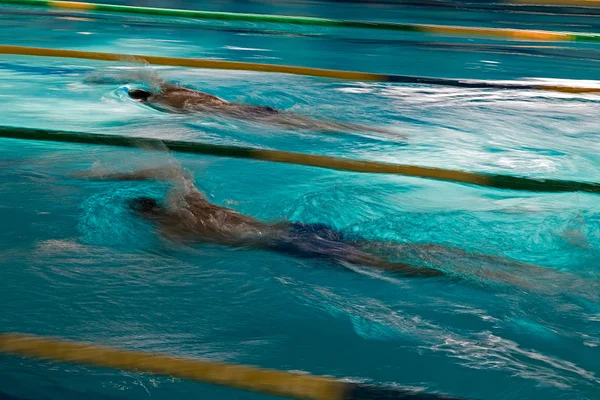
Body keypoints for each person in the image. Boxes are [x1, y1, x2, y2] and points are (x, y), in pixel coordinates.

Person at [81, 165, 442, 278]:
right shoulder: (191, 202)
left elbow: (164, 263)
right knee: (389, 247)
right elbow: (176, 171)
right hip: (298, 228)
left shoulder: (170, 229)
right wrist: (101, 175)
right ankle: (489, 264)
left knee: (383, 265)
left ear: (144, 218)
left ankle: (459, 276)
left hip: (285, 244)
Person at [126, 84, 400, 136]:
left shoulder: (162, 104)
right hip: (247, 107)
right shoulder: (175, 90)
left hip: (235, 116)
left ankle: (374, 131)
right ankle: (375, 129)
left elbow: (193, 115)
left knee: (308, 126)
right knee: (310, 121)